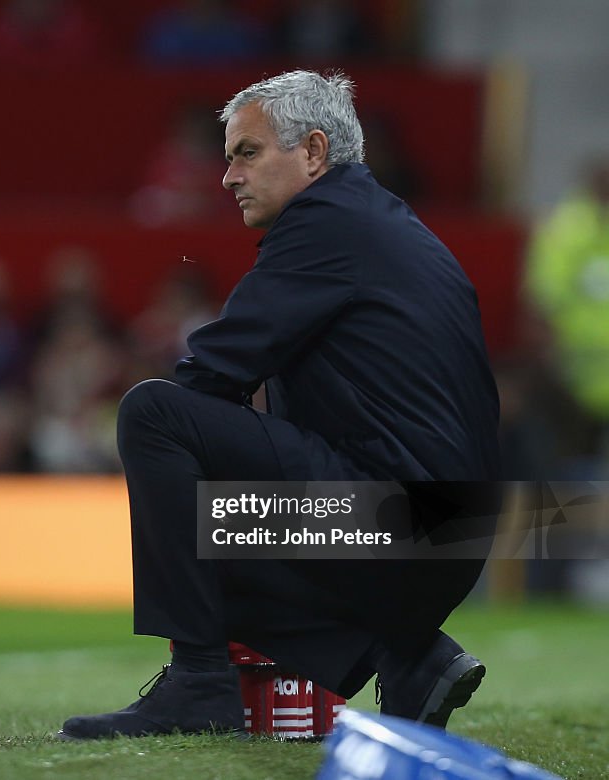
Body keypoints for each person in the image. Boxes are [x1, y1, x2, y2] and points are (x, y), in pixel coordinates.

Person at [58, 71, 500, 740]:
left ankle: (201, 685)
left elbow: (209, 375)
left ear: (315, 152)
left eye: (247, 153)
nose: (228, 177)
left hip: (396, 526)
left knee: (154, 416)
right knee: (215, 516)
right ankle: (407, 652)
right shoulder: (380, 222)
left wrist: (186, 489)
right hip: (445, 537)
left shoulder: (326, 224)